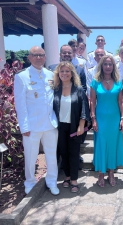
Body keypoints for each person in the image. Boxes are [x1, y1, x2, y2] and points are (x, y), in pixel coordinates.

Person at [14, 46, 59, 195]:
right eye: (35, 55)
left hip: (50, 124)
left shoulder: (51, 75)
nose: (38, 58)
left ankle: (52, 181)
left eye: (41, 55)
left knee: (51, 156)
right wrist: (24, 126)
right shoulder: (22, 77)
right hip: (32, 125)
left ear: (45, 57)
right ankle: (30, 182)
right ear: (29, 57)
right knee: (31, 156)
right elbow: (20, 105)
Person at [53, 61, 90, 193]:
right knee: (63, 153)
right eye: (62, 71)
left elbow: (84, 109)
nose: (64, 73)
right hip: (59, 127)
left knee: (74, 153)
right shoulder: (55, 90)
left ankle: (74, 179)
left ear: (72, 73)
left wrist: (81, 125)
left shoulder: (78, 89)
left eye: (67, 71)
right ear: (58, 74)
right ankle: (67, 176)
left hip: (74, 126)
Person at [90, 55, 123, 187]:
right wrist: (93, 118)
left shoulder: (118, 82)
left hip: (115, 118)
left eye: (110, 64)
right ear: (101, 66)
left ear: (113, 66)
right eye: (105, 64)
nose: (108, 66)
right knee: (100, 144)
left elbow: (121, 101)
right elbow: (92, 101)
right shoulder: (95, 82)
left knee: (112, 145)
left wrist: (122, 118)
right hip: (101, 118)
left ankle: (111, 172)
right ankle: (100, 173)